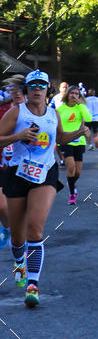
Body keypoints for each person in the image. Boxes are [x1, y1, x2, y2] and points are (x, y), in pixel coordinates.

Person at [0, 69, 86, 307]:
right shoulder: (16, 112)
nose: (37, 89)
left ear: (47, 89)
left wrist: (78, 132)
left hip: (45, 173)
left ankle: (32, 284)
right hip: (17, 174)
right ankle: (19, 261)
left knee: (35, 229)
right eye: (33, 86)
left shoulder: (53, 114)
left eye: (41, 85)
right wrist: (18, 136)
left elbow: (60, 138)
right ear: (27, 90)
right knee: (17, 237)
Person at [0, 76, 26, 250]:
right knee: (2, 206)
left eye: (20, 90)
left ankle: (19, 240)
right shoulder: (3, 110)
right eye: (13, 91)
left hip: (25, 168)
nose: (17, 94)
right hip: (2, 164)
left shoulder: (37, 112)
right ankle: (10, 231)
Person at [56, 85, 92, 205]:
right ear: (67, 95)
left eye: (77, 94)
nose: (74, 96)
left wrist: (81, 104)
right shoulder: (61, 109)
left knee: (77, 172)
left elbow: (89, 118)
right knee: (71, 167)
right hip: (65, 141)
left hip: (79, 141)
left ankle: (71, 181)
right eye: (72, 93)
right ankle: (72, 194)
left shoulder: (80, 108)